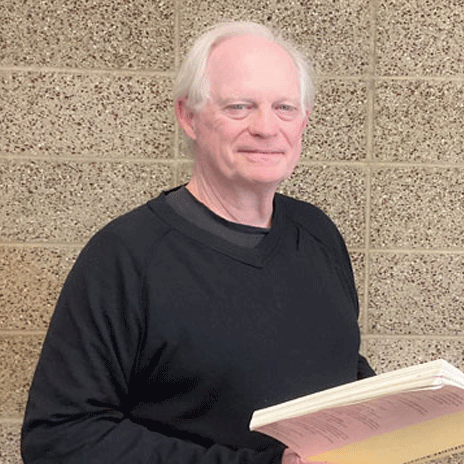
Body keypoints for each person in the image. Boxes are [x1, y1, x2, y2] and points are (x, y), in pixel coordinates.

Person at [21, 21, 374, 464]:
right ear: (189, 117)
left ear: (304, 121)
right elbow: (60, 438)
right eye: (240, 107)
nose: (266, 127)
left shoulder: (319, 234)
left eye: (284, 107)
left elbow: (337, 363)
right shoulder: (125, 258)